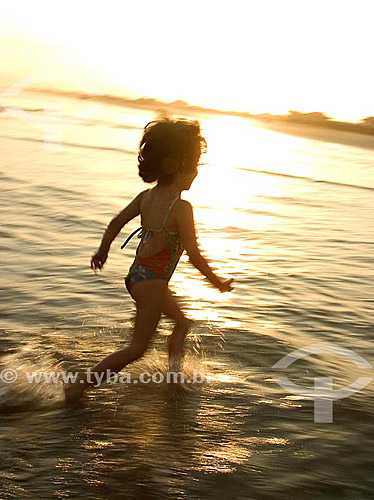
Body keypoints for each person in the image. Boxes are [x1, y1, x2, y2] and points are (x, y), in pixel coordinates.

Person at [64, 118, 233, 404]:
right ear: (180, 166)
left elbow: (117, 221)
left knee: (182, 323)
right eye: (194, 167)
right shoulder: (181, 208)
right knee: (136, 349)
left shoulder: (146, 197)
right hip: (152, 283)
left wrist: (103, 251)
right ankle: (79, 386)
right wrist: (218, 283)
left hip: (138, 276)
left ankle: (174, 377)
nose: (196, 174)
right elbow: (193, 254)